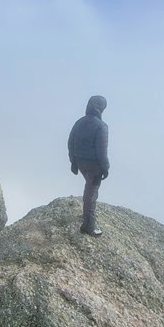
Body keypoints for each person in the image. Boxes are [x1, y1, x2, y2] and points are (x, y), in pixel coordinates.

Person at [68, 95, 109, 237]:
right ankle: (89, 226)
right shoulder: (101, 126)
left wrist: (73, 161)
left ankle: (86, 216)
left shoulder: (79, 122)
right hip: (94, 166)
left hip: (80, 162)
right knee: (91, 194)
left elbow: (70, 142)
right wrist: (105, 168)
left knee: (89, 190)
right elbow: (102, 152)